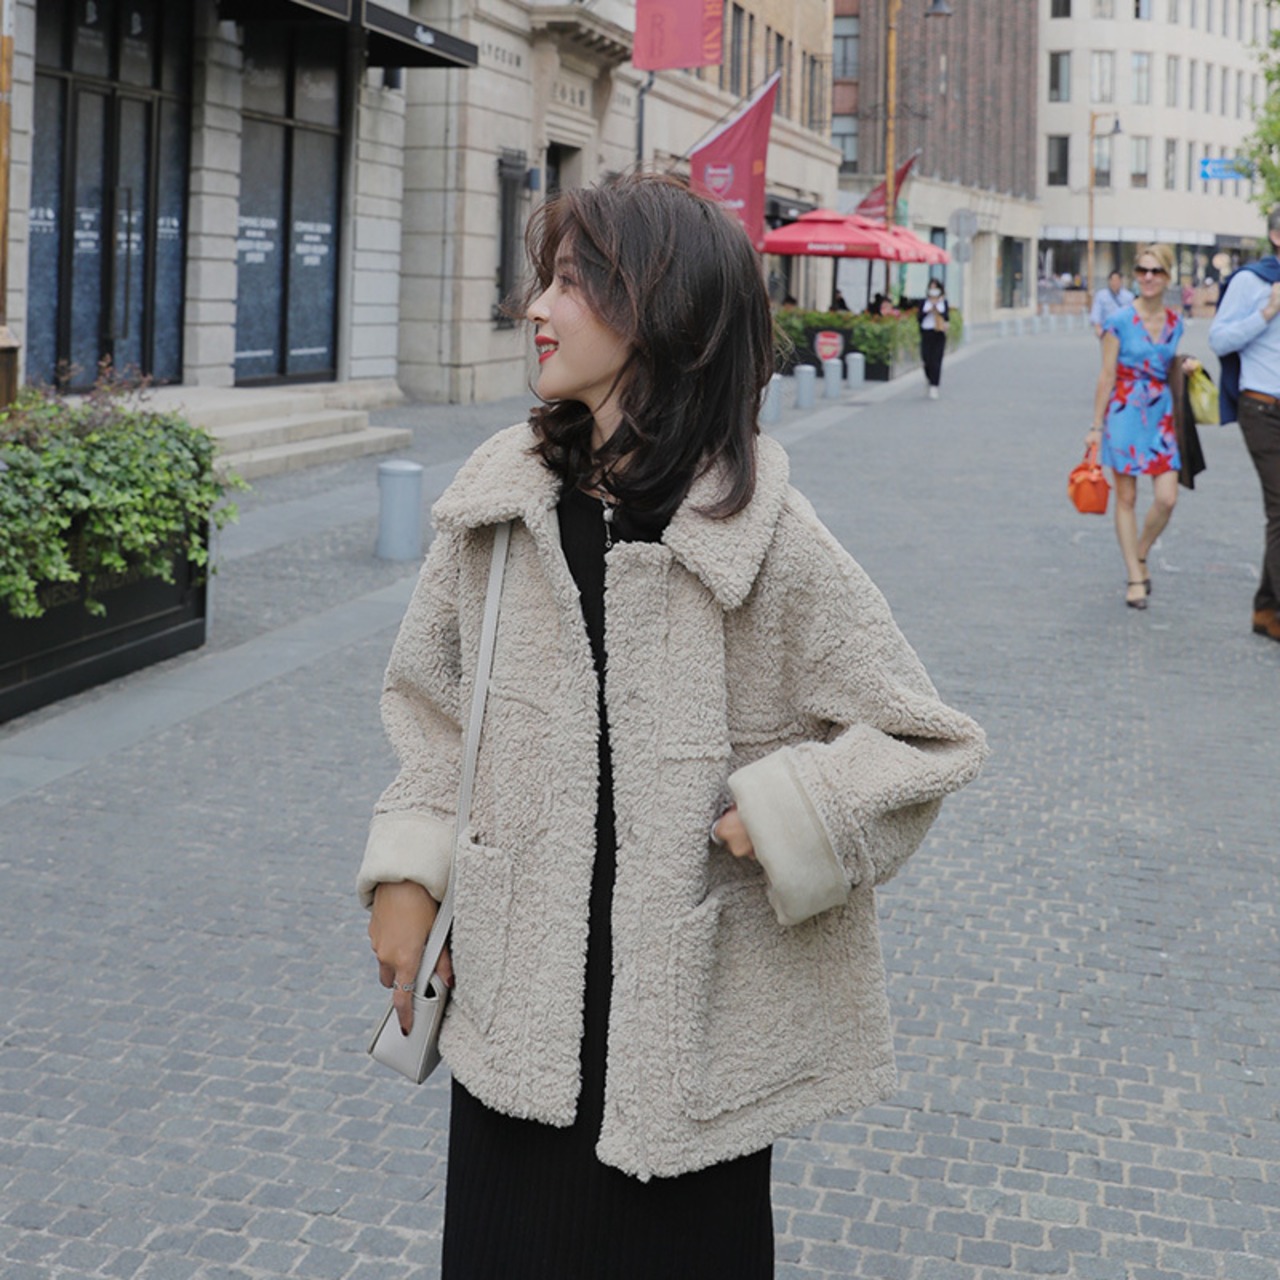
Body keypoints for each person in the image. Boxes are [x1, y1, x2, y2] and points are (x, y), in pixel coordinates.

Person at [357, 173, 988, 1278]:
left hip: (688, 1045)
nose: (535, 308)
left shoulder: (765, 537)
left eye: (568, 283)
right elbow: (431, 708)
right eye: (543, 281)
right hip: (516, 1012)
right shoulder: (496, 509)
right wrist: (408, 871)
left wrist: (788, 809)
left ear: (658, 310)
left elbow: (923, 740)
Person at [1087, 243, 1195, 611]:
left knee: (1167, 497)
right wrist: (1096, 426)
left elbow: (1165, 364)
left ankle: (1141, 551)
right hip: (1124, 412)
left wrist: (1184, 367)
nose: (1148, 278)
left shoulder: (1175, 323)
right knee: (1127, 497)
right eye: (1142, 271)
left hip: (1161, 414)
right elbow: (1106, 374)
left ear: (1167, 277)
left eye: (1156, 271)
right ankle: (1135, 576)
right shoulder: (1118, 321)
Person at [1208, 204, 1280, 643]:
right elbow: (1219, 339)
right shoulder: (1252, 281)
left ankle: (1266, 609)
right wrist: (1267, 313)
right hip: (1263, 409)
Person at [918, 278, 950, 400]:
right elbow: (919, 317)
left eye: (935, 288)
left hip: (939, 332)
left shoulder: (943, 302)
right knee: (926, 359)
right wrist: (928, 310)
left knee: (936, 360)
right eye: (931, 288)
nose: (933, 290)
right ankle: (929, 378)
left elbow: (946, 317)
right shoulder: (924, 302)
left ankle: (934, 385)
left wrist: (938, 309)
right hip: (926, 332)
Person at [1090, 268, 1135, 338]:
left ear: (1121, 281)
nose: (1115, 283)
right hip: (1107, 331)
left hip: (1124, 331)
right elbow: (1096, 313)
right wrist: (1098, 328)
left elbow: (1133, 314)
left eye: (1117, 280)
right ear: (1109, 281)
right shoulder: (1101, 295)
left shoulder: (1129, 296)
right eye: (1112, 280)